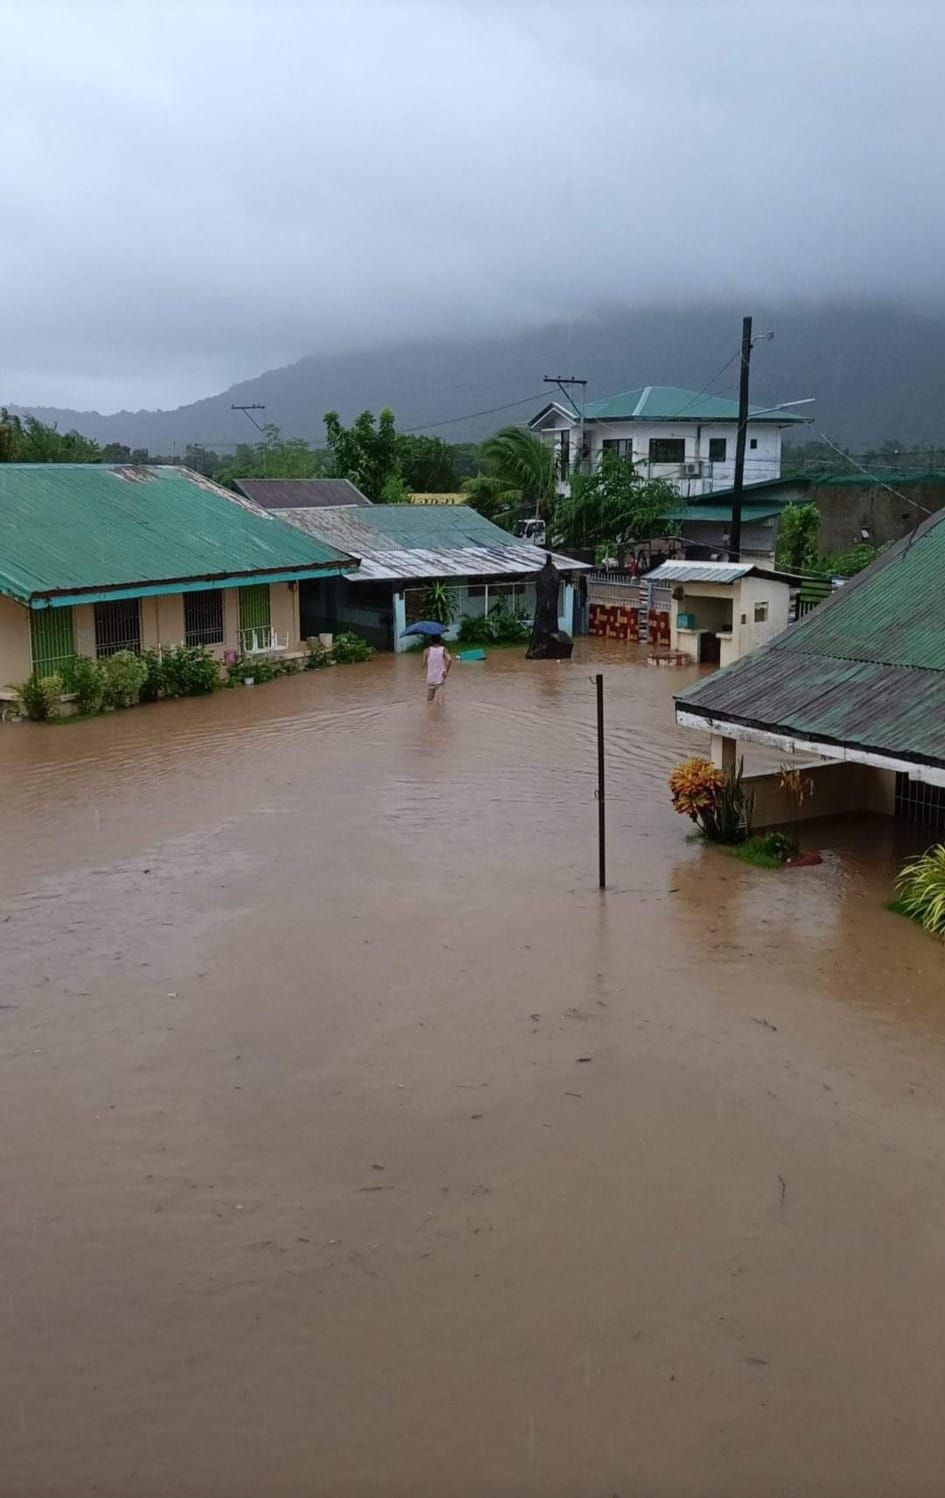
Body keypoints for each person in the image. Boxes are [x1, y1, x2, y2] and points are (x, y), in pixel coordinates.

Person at [423, 635, 452, 702]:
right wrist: (446, 672)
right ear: (440, 640)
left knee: (429, 701)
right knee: (441, 702)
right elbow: (450, 660)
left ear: (431, 641)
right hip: (440, 678)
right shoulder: (444, 649)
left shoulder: (426, 650)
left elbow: (423, 665)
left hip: (430, 679)